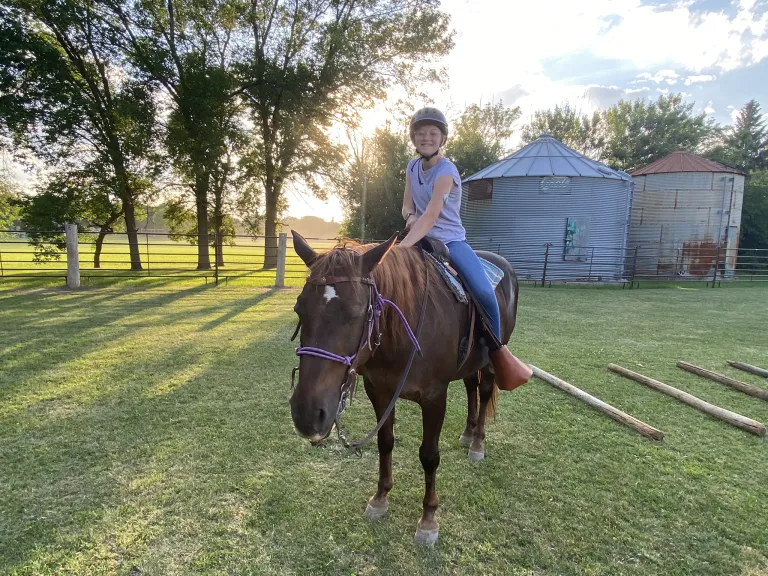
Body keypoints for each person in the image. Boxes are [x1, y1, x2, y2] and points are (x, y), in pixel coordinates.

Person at [399, 107, 532, 391]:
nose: (427, 138)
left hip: (449, 242)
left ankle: (496, 352)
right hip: (419, 237)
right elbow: (407, 205)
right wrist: (409, 218)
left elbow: (432, 215)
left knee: (484, 291)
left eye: (433, 134)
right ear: (413, 137)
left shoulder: (447, 171)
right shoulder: (411, 167)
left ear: (442, 138)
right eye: (421, 134)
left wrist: (402, 246)